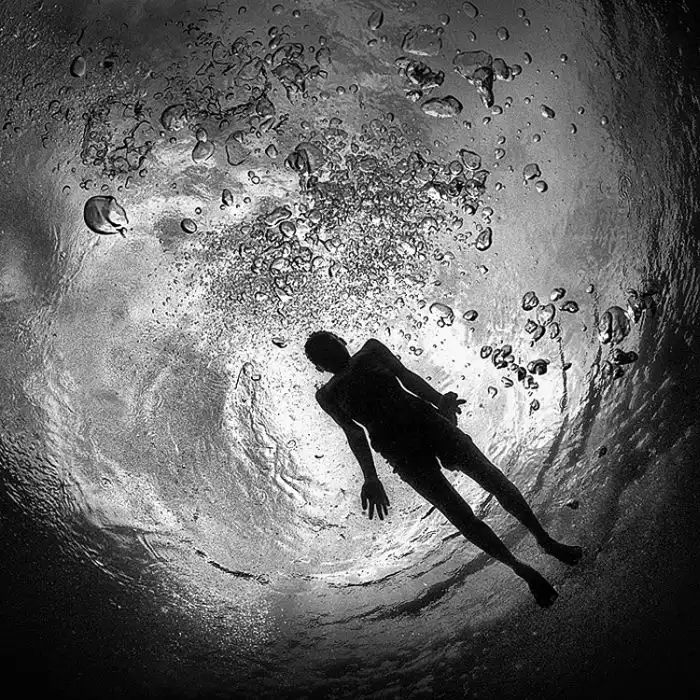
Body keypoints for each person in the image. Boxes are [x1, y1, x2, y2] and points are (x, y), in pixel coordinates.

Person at [305, 331, 582, 607]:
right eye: (322, 355)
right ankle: (521, 569)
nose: (330, 353)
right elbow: (354, 434)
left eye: (330, 343)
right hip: (400, 454)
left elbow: (407, 377)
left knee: (493, 480)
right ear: (319, 366)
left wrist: (440, 401)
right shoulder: (327, 394)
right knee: (461, 516)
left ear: (341, 340)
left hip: (430, 424)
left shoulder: (371, 350)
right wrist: (371, 478)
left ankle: (545, 540)